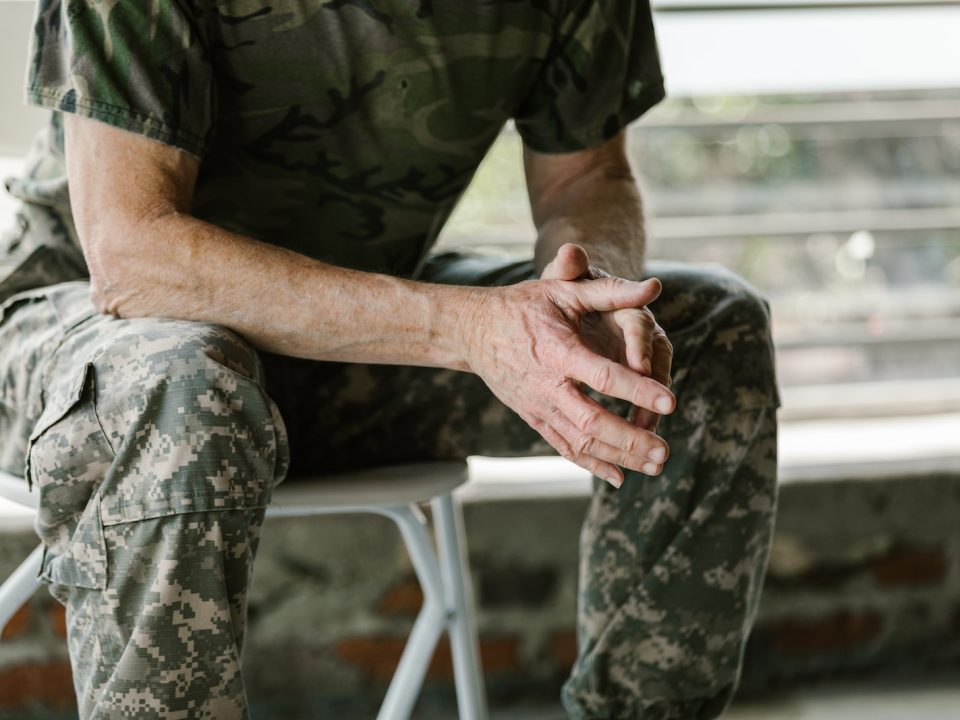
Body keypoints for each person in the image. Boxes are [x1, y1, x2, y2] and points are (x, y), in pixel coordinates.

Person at [0, 1, 780, 718]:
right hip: (87, 332)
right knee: (182, 380)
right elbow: (135, 256)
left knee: (711, 328)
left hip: (351, 338)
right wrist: (473, 332)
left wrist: (589, 288)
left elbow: (588, 172)